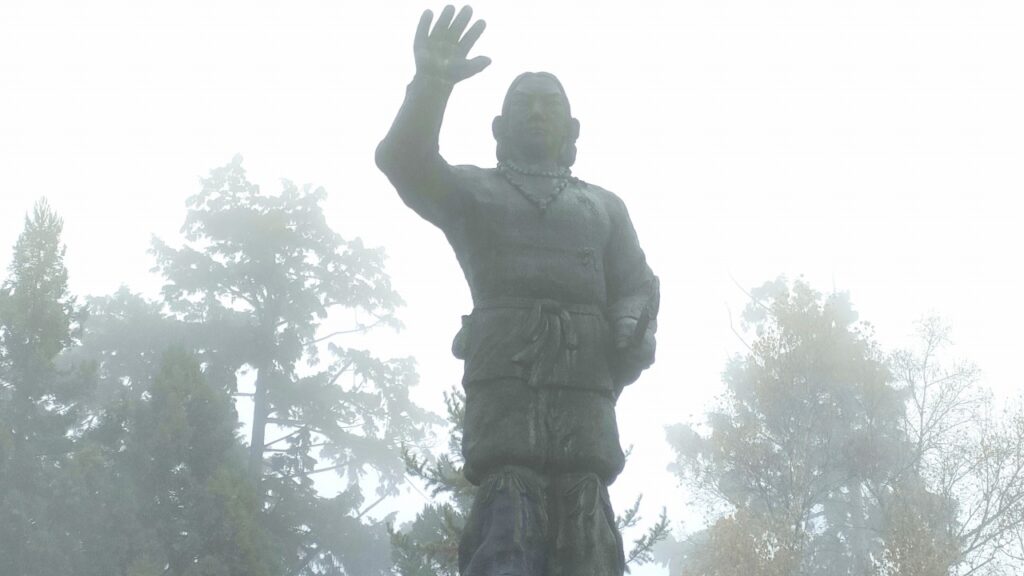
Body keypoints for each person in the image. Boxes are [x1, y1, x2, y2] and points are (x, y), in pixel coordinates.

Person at [376, 6, 659, 576]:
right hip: (505, 381)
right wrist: (430, 85)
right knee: (508, 524)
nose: (536, 112)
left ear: (572, 129)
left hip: (585, 393)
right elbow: (403, 162)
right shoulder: (474, 193)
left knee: (587, 536)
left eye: (549, 104)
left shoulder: (604, 207)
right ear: (499, 128)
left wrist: (630, 324)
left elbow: (637, 285)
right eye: (523, 104)